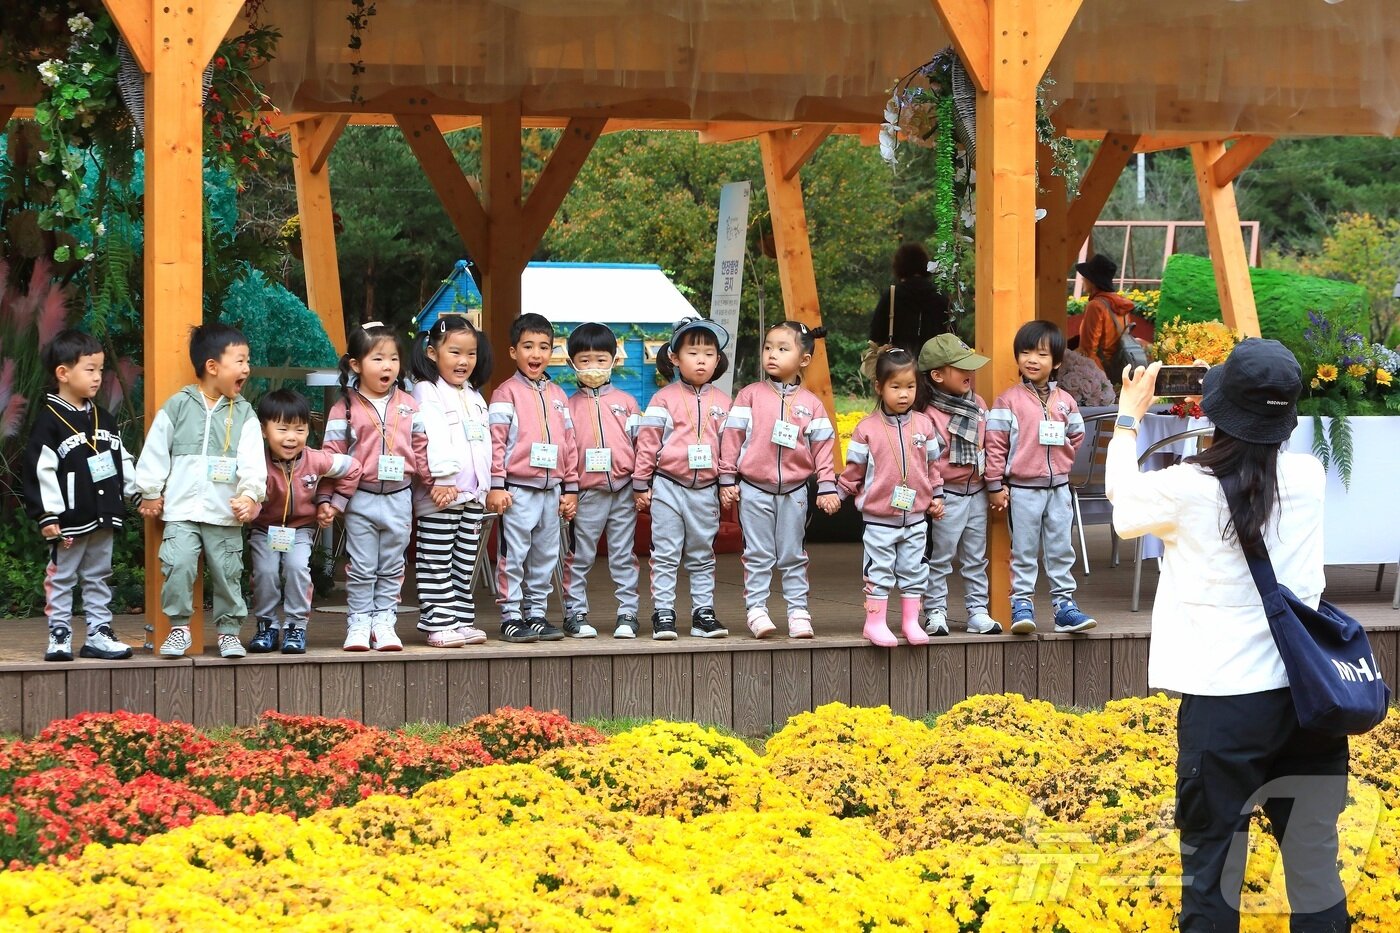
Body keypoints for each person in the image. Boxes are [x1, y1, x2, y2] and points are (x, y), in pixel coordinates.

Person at [1106, 344, 1347, 932]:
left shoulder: (1188, 487)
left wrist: (1128, 415)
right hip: (1309, 701)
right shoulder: (1311, 477)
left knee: (1212, 876)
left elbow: (1121, 506)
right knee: (1315, 869)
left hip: (1224, 706)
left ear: (1218, 410)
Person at [135, 323, 266, 659]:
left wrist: (250, 495)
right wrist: (149, 490)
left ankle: (229, 632)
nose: (246, 369)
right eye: (240, 361)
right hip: (180, 511)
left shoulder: (245, 413)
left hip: (225, 513)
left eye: (247, 361)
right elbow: (155, 449)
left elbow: (253, 462)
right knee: (178, 564)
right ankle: (179, 629)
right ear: (212, 366)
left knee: (227, 572)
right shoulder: (178, 405)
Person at [719, 321, 841, 639]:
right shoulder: (749, 396)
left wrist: (827, 485)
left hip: (795, 492)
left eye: (783, 349)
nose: (772, 354)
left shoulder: (812, 404)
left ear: (804, 359)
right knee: (758, 553)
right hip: (754, 489)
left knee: (792, 553)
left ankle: (798, 611)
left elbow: (824, 449)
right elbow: (731, 438)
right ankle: (756, 610)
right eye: (768, 347)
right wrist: (727, 478)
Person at [24, 329, 140, 662]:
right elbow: (39, 470)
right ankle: (59, 634)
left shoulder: (104, 418)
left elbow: (121, 459)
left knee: (98, 576)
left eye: (101, 369)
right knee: (61, 577)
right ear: (63, 373)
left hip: (103, 514)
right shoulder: (49, 422)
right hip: (69, 521)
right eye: (90, 369)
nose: (98, 377)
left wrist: (136, 495)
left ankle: (98, 634)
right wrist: (48, 515)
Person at [318, 322, 429, 652]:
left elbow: (422, 450)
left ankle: (385, 620)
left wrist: (438, 483)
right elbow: (330, 457)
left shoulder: (409, 404)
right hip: (360, 498)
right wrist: (325, 498)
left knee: (393, 564)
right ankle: (359, 621)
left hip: (400, 496)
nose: (388, 366)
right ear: (356, 365)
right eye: (378, 359)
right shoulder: (345, 408)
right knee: (363, 564)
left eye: (393, 359)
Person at [984, 321, 1095, 635]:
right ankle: (1022, 605)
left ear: (1056, 361)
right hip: (1022, 490)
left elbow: (1076, 435)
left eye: (1042, 354)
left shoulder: (1065, 402)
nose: (1032, 359)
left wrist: (1060, 461)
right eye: (1026, 352)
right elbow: (995, 445)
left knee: (1061, 548)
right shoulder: (1009, 401)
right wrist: (995, 483)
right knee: (1024, 549)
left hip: (1058, 489)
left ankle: (1064, 608)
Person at [838, 347, 945, 648]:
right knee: (880, 570)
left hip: (916, 518)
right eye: (895, 387)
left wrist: (937, 497)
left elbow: (933, 466)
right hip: (878, 520)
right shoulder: (866, 430)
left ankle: (910, 621)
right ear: (879, 387)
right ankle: (874, 623)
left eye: (910, 387)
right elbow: (853, 473)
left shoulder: (925, 425)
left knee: (915, 569)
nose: (903, 394)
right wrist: (837, 494)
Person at [633, 317, 732, 640]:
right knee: (665, 552)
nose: (701, 359)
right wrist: (641, 483)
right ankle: (664, 612)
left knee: (703, 552)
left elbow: (732, 447)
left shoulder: (724, 402)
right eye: (692, 352)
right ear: (674, 358)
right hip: (668, 486)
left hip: (706, 490)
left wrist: (729, 481)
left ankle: (703, 614)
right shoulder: (663, 399)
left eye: (708, 353)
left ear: (718, 360)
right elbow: (648, 442)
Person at [486, 312, 579, 643]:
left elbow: (569, 445)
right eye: (528, 346)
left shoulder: (558, 395)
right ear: (513, 352)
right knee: (514, 555)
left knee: (545, 555)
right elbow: (495, 443)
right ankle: (511, 615)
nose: (536, 354)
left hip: (552, 492)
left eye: (544, 346)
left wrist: (571, 489)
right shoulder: (505, 393)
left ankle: (536, 613)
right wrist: (497, 485)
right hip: (517, 491)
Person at [247, 389, 360, 655]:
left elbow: (353, 468)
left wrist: (332, 503)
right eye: (282, 429)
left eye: (299, 430)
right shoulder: (256, 462)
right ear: (264, 431)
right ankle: (267, 625)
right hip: (264, 529)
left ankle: (296, 626)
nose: (291, 438)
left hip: (300, 529)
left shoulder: (315, 459)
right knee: (265, 572)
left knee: (297, 568)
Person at [410, 315, 494, 648]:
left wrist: (486, 486)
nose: (464, 361)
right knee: (436, 558)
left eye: (470, 354)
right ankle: (437, 622)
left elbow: (484, 442)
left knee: (463, 560)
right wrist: (441, 479)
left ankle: (459, 619)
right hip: (442, 494)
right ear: (432, 353)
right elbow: (431, 436)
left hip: (472, 495)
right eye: (455, 352)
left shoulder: (473, 394)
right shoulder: (426, 390)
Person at [562, 323, 643, 639]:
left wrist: (640, 484)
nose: (592, 367)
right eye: (584, 360)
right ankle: (575, 612)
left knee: (624, 554)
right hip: (585, 494)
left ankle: (628, 613)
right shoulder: (567, 406)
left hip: (623, 490)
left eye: (600, 359)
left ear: (614, 360)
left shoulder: (627, 402)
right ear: (572, 363)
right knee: (580, 555)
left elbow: (642, 446)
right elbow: (565, 452)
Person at [918, 333, 1002, 636]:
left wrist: (993, 482)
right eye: (961, 368)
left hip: (977, 493)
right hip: (947, 497)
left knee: (975, 558)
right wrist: (936, 495)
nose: (970, 373)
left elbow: (991, 445)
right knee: (940, 557)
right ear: (937, 375)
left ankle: (978, 610)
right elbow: (928, 462)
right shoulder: (928, 416)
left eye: (971, 367)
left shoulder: (977, 404)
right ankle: (935, 611)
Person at [868, 242, 952, 357]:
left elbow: (875, 336)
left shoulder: (892, 296)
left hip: (898, 367)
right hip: (933, 366)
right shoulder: (940, 297)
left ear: (898, 266)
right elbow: (951, 336)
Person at [1075, 253, 1141, 377]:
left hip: (1101, 373)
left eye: (1085, 276)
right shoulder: (1119, 304)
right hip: (1121, 368)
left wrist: (1099, 384)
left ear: (1093, 281)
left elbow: (1088, 351)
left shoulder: (1096, 306)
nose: (1083, 279)